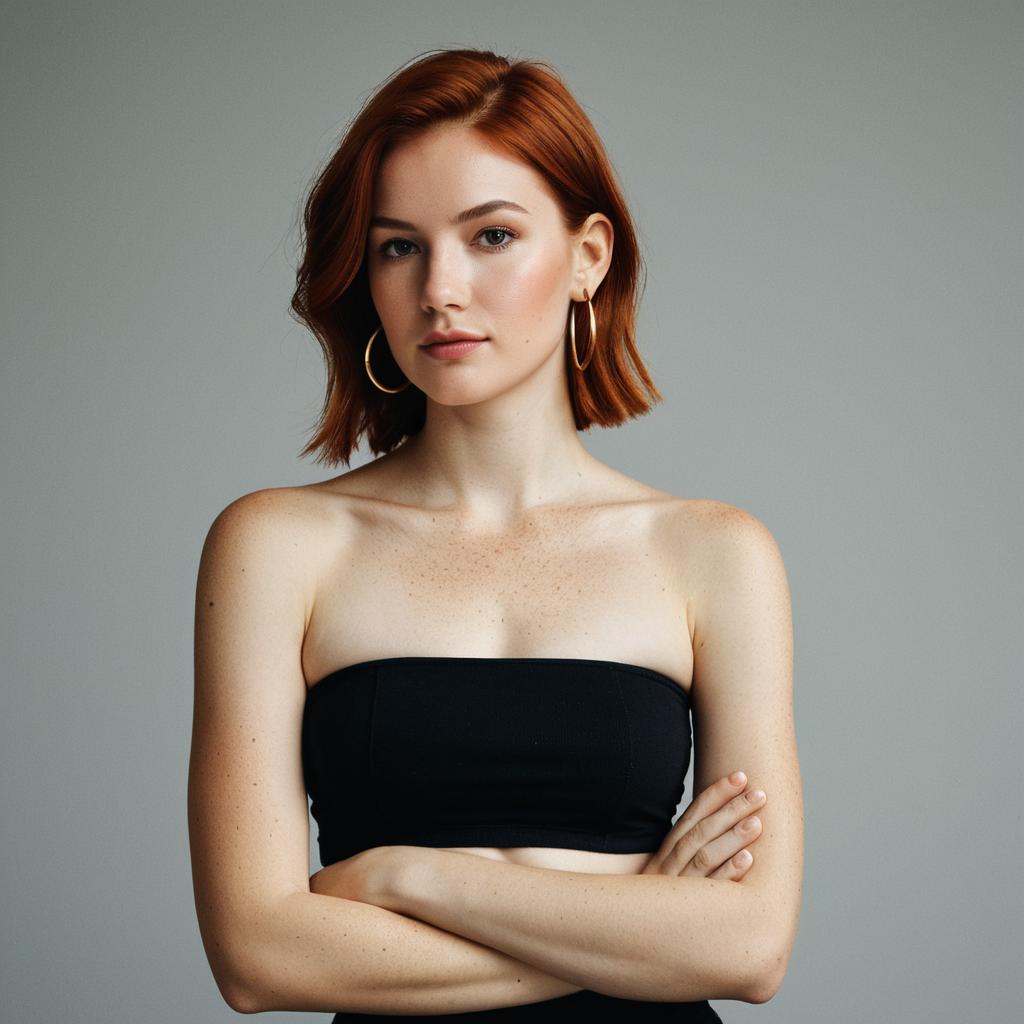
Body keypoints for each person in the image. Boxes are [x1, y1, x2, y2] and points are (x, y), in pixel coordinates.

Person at [187, 47, 803, 1022]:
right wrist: (640, 926)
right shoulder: (277, 546)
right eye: (399, 247)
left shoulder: (713, 553)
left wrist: (406, 876)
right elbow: (259, 958)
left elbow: (750, 947)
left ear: (588, 257)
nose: (440, 288)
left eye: (492, 235)